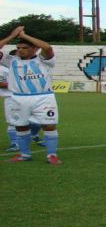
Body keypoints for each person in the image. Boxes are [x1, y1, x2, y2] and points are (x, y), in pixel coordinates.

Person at [0, 26, 62, 165]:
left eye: (25, 48)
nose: (20, 50)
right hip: (18, 97)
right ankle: (24, 154)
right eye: (18, 48)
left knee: (49, 125)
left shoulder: (43, 60)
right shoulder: (12, 61)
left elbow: (47, 47)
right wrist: (12, 36)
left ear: (34, 49)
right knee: (20, 126)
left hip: (43, 97)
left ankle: (52, 155)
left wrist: (24, 35)